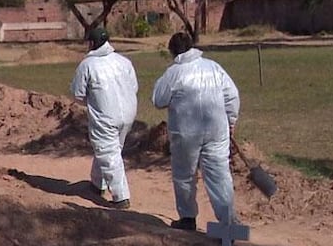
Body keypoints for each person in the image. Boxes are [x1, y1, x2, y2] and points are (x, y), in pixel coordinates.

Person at [152, 32, 240, 230]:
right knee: (219, 174)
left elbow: (158, 100)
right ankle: (229, 223)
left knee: (184, 174)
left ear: (173, 51)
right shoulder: (214, 67)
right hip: (217, 129)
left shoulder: (173, 72)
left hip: (186, 132)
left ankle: (188, 218)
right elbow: (232, 96)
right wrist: (231, 121)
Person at [71, 27, 138, 209]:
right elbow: (134, 86)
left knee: (108, 152)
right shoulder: (124, 61)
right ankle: (97, 183)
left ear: (92, 43)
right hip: (128, 113)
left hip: (105, 115)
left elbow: (78, 94)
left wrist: (93, 102)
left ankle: (121, 197)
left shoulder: (88, 65)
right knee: (111, 148)